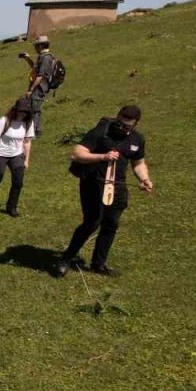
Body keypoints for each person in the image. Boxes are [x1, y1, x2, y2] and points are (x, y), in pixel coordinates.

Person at [55, 105, 154, 278]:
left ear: (135, 124)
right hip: (94, 183)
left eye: (127, 126)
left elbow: (138, 163)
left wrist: (144, 179)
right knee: (92, 222)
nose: (122, 128)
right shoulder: (102, 131)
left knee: (111, 224)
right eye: (120, 123)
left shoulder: (137, 139)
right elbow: (77, 154)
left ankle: (98, 264)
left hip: (118, 186)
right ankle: (66, 258)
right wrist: (102, 156)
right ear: (117, 117)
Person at [18, 35, 61, 136]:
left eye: (36, 46)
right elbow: (36, 69)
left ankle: (37, 131)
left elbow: (41, 75)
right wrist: (27, 59)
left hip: (40, 86)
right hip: (38, 86)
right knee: (32, 107)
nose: (35, 48)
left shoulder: (46, 58)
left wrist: (31, 89)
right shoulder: (42, 57)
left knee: (35, 108)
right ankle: (32, 130)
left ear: (41, 46)